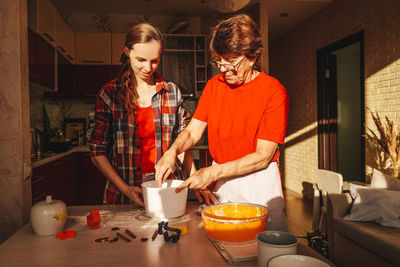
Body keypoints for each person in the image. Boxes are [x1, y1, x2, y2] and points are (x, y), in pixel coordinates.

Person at [155, 14, 289, 231]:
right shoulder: (213, 86)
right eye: (218, 60)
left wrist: (211, 173)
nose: (223, 68)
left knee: (260, 251)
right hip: (223, 182)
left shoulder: (274, 91)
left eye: (230, 61)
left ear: (253, 57)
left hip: (259, 183)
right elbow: (191, 132)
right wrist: (172, 151)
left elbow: (263, 157)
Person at [89, 22, 195, 206]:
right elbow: (97, 152)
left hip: (167, 192)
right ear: (127, 51)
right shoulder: (109, 94)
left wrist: (196, 179)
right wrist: (125, 189)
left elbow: (182, 144)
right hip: (124, 196)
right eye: (141, 60)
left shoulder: (171, 92)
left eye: (155, 60)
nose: (148, 68)